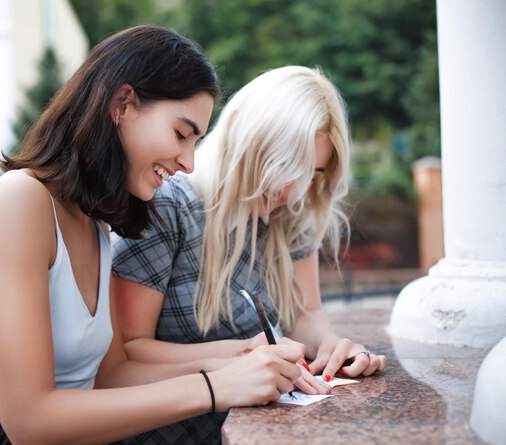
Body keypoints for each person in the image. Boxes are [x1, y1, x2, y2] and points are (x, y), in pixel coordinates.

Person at [0, 26, 312, 444]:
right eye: (181, 134)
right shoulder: (18, 202)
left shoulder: (93, 222)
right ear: (123, 105)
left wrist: (238, 356)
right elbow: (28, 420)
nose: (188, 162)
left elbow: (113, 375)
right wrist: (215, 387)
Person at [111, 66, 388, 444]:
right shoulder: (167, 204)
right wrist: (238, 356)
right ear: (244, 137)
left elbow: (304, 312)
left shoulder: (294, 212)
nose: (291, 191)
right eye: (285, 165)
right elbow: (127, 352)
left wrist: (331, 349)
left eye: (312, 173)